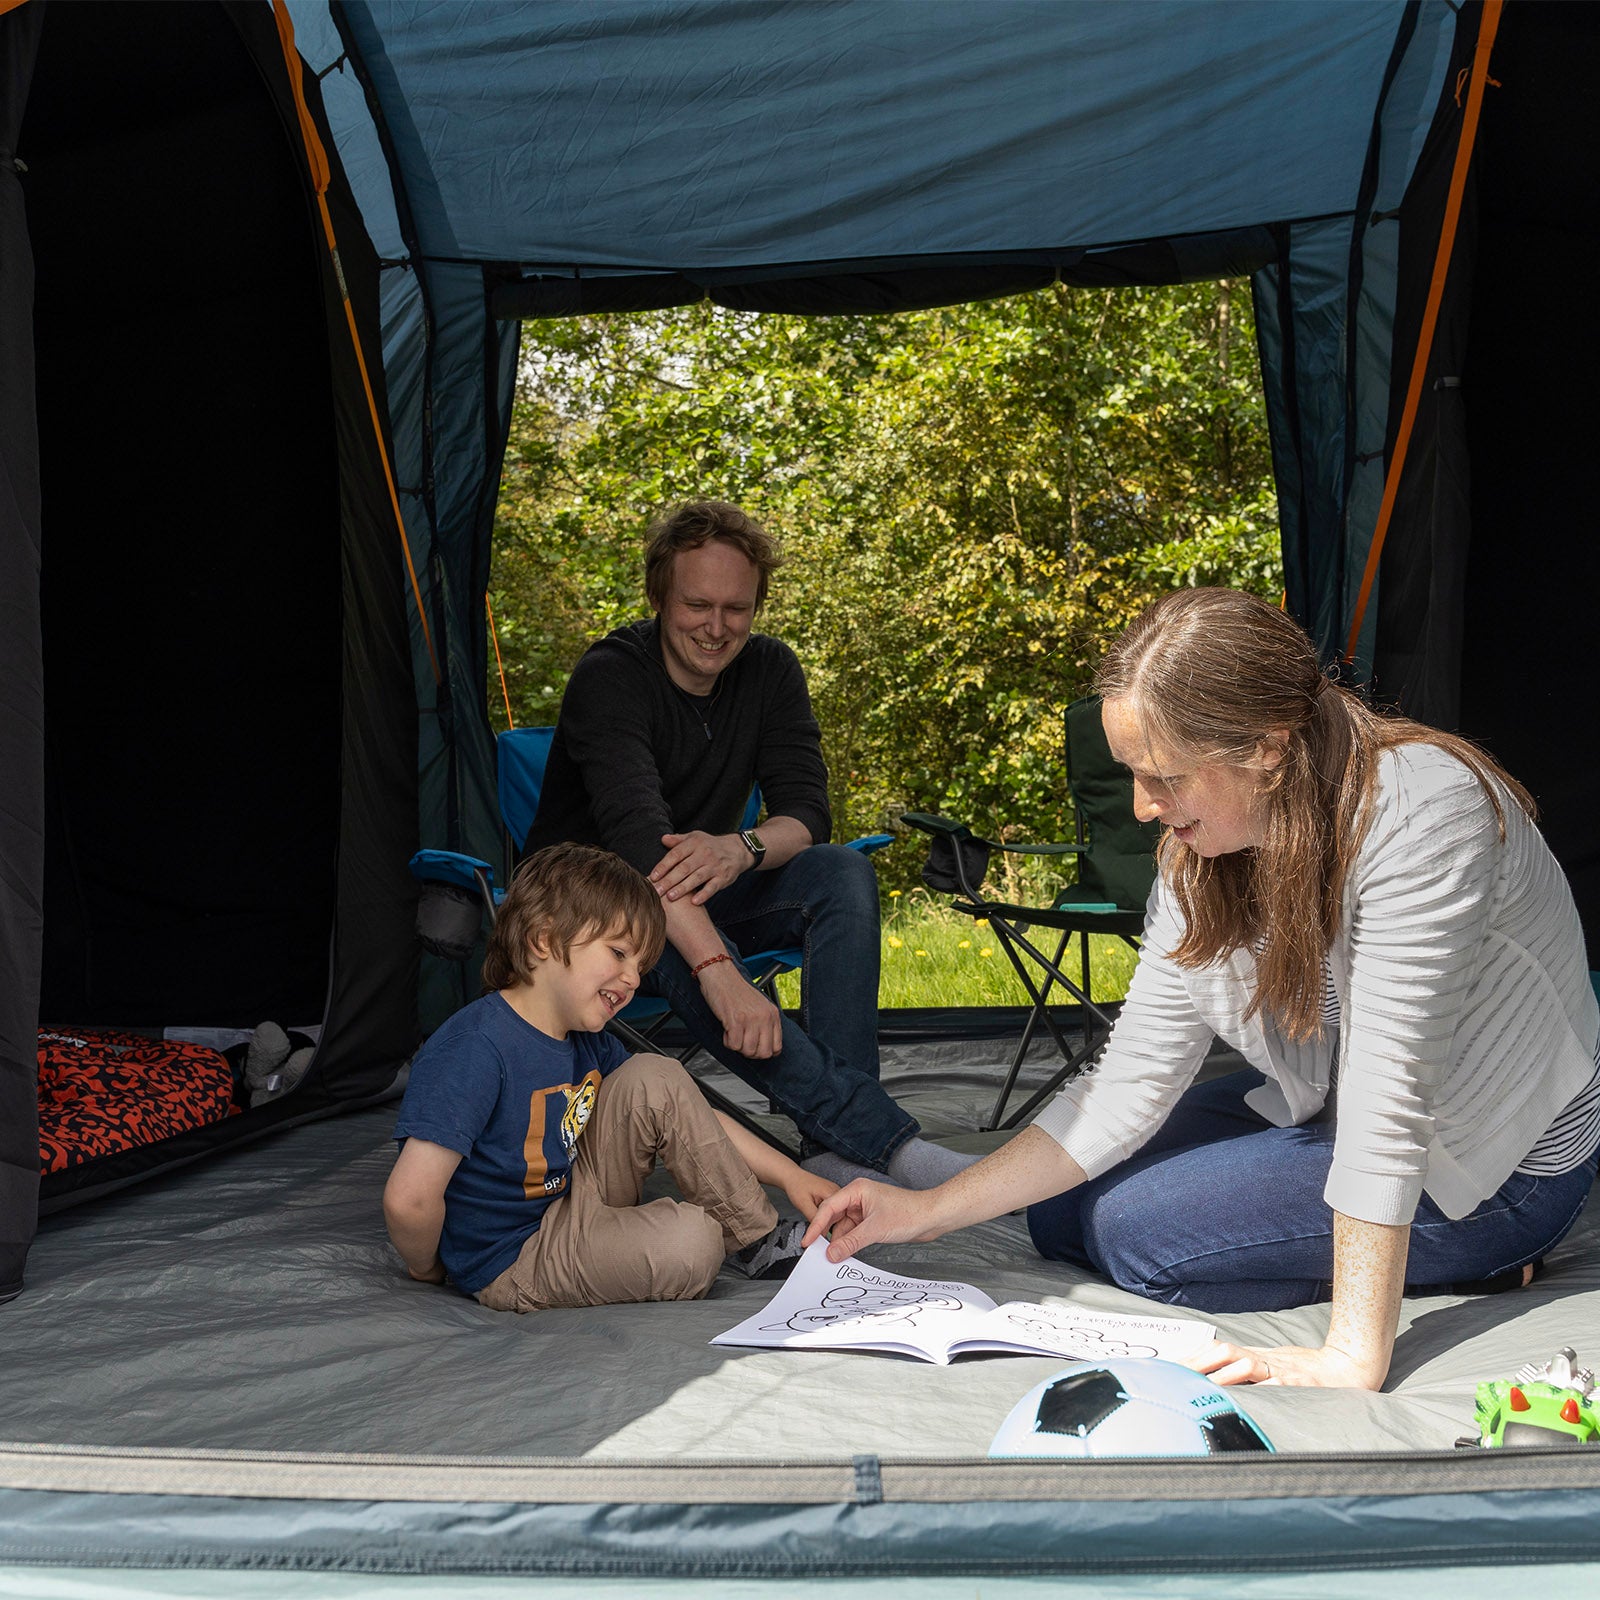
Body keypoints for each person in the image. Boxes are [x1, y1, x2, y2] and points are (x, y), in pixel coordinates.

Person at [804, 588, 1600, 1391]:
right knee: (1054, 1210)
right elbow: (1123, 1087)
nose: (1146, 808)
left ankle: (1486, 1263)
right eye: (1135, 777)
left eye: (1165, 778)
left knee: (1135, 1234)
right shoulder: (1204, 856)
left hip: (1492, 1167)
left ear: (1267, 748)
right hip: (1328, 1108)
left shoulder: (1423, 814)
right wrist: (927, 1214)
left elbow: (1388, 1103)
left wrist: (1351, 1355)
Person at [524, 499, 969, 1189]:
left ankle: (833, 1144)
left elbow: (807, 812)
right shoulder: (610, 675)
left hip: (697, 886)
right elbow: (643, 856)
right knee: (656, 917)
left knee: (840, 871)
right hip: (584, 910)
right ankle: (883, 1145)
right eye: (697, 604)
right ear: (658, 596)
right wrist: (721, 975)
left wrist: (741, 849)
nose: (716, 627)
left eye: (737, 608)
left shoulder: (768, 670)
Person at [383, 843, 837, 1310]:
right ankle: (673, 1240)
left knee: (656, 1075)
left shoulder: (586, 1039)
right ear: (543, 939)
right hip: (515, 1255)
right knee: (694, 1243)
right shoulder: (475, 1047)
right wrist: (428, 1269)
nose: (634, 979)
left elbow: (690, 1115)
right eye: (618, 953)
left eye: (639, 966)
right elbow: (410, 1198)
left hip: (576, 1195)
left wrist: (790, 1176)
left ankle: (755, 1238)